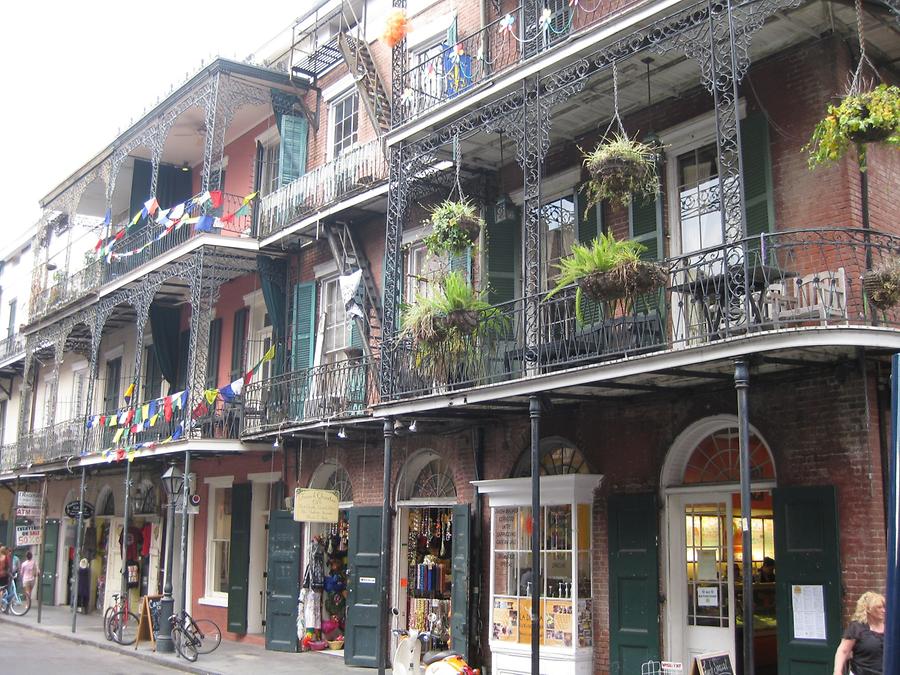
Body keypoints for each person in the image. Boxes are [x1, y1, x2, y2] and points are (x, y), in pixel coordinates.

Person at [833, 591, 885, 675]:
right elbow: (843, 651)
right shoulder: (856, 628)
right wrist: (837, 671)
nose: (884, 610)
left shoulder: (890, 628)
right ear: (868, 609)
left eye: (884, 607)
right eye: (879, 607)